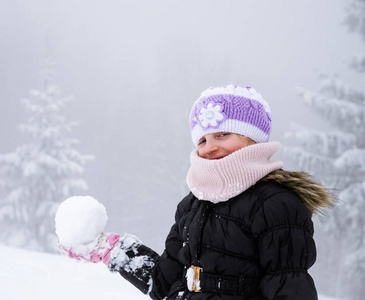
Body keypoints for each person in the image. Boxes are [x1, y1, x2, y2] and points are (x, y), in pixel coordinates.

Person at [59, 84, 336, 299]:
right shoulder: (192, 206)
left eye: (222, 134)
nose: (208, 147)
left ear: (253, 138)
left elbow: (289, 287)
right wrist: (116, 251)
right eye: (202, 139)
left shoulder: (275, 204)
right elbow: (163, 282)